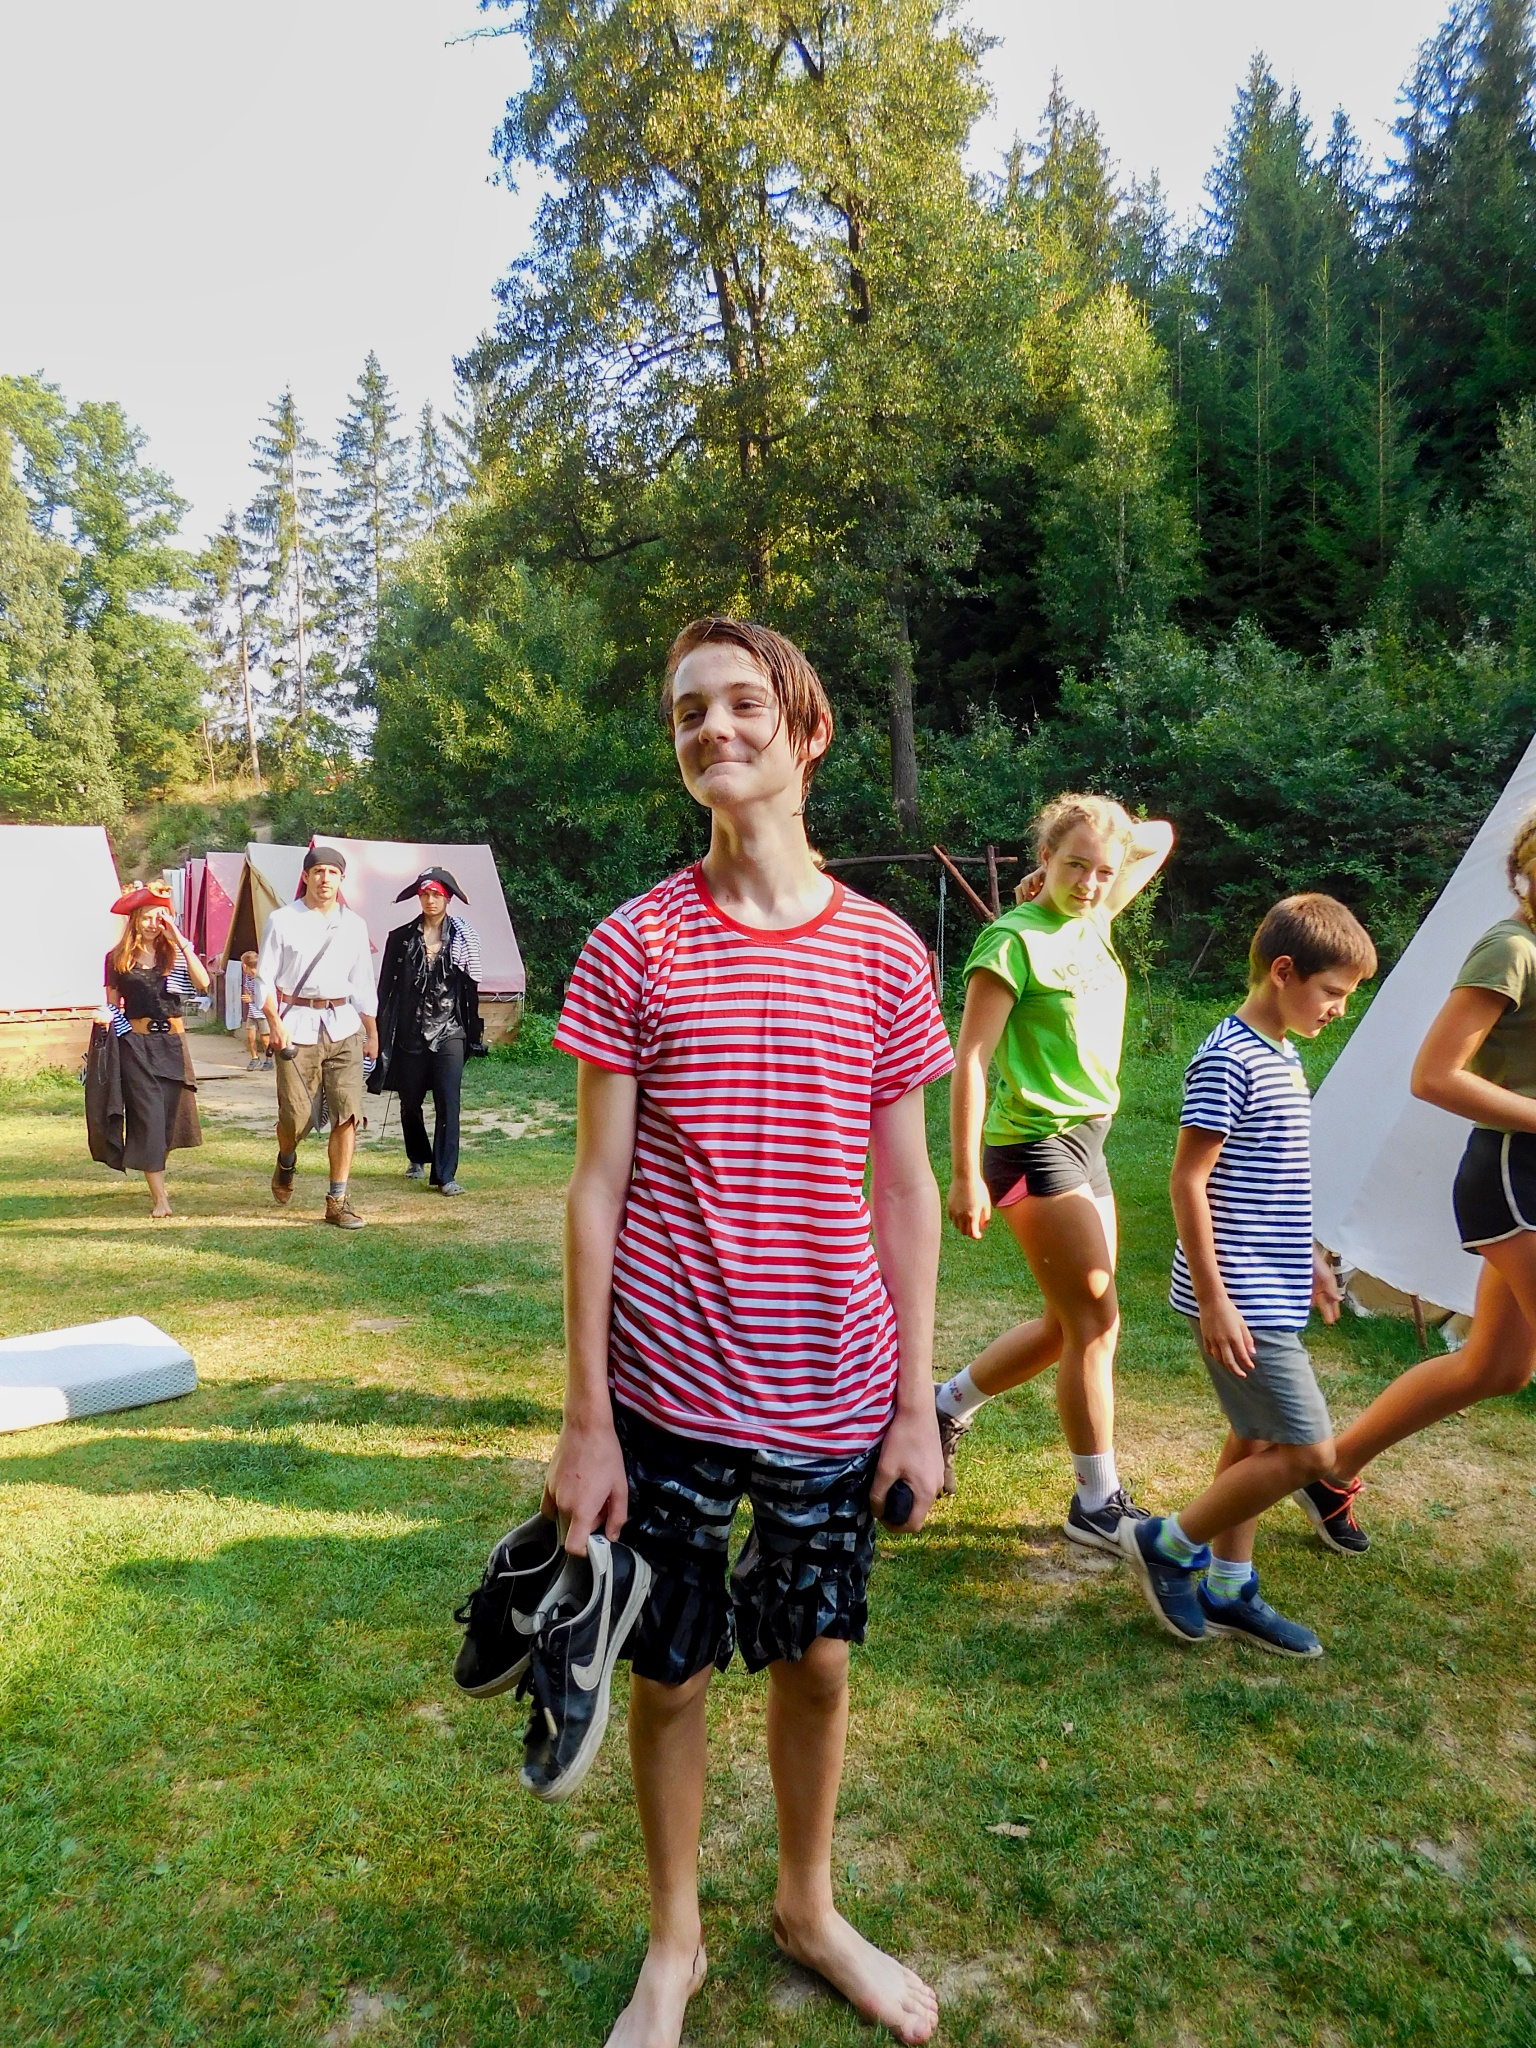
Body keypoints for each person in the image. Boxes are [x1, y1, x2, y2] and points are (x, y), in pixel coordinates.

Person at [544, 616, 954, 2048]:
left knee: (819, 1661)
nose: (712, 727)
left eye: (740, 704)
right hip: (665, 1390)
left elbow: (906, 1188)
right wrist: (587, 1419)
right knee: (668, 1671)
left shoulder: (886, 953)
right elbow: (595, 1188)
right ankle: (675, 1944)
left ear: (808, 729)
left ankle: (807, 1906)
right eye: (687, 713)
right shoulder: (634, 941)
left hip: (837, 1388)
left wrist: (917, 1403)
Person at [1120, 896, 1377, 1656]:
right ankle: (1169, 1544)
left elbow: (1275, 1180)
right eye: (1332, 992)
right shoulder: (1227, 1058)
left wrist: (1312, 1258)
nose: (1338, 1009)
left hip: (1274, 1282)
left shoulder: (1282, 1052)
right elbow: (1187, 1181)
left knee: (1256, 1436)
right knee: (1310, 1453)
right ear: (1284, 971)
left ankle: (1230, 1589)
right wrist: (1214, 1300)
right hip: (1239, 1295)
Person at [939, 794, 1174, 1549]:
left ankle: (946, 1406)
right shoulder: (1014, 940)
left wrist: (1107, 839)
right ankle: (1096, 1503)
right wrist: (965, 1174)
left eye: (1104, 871)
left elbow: (1160, 837)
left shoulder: (1095, 916)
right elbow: (970, 1061)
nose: (1092, 882)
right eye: (1074, 866)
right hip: (1032, 1145)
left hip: (1089, 1139)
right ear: (1043, 859)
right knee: (1096, 1323)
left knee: (1066, 1323)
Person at [1321, 807, 1536, 1486]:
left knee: (1497, 1367)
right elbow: (1434, 1076)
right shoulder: (1511, 948)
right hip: (1515, 1176)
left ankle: (1329, 1469)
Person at [256, 844, 378, 1229]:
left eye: (333, 872)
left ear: (342, 879)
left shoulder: (354, 925)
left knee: (347, 1113)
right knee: (296, 1117)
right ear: (306, 876)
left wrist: (372, 1032)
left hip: (343, 1027)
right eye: (319, 871)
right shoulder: (282, 920)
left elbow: (363, 982)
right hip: (296, 1026)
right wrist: (273, 1023)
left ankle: (337, 1200)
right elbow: (264, 978)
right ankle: (286, 1159)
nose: (325, 879)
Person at [368, 867, 484, 1196]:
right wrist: (378, 1032)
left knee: (449, 1101)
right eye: (425, 894)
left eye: (437, 894)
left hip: (450, 1029)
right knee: (410, 1102)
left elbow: (470, 988)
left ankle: (445, 1175)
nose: (430, 900)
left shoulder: (462, 938)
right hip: (410, 1030)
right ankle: (418, 1155)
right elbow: (385, 989)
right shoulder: (400, 938)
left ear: (447, 899)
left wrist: (473, 1033)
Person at [102, 881, 211, 1218]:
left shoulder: (174, 955)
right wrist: (113, 1027)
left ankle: (157, 1173)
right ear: (135, 919)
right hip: (136, 1045)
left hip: (173, 1045)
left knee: (168, 1119)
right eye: (147, 917)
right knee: (147, 1117)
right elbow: (113, 1006)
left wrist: (179, 939)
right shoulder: (117, 958)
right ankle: (160, 1199)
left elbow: (203, 983)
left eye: (159, 917)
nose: (153, 924)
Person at [240, 951, 271, 1070]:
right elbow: (247, 989)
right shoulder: (248, 977)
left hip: (263, 1012)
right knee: (250, 1036)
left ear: (245, 965)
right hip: (252, 1011)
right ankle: (254, 1058)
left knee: (265, 1038)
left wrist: (252, 998)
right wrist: (247, 995)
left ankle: (269, 1059)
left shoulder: (261, 977)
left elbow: (266, 995)